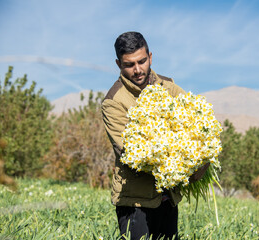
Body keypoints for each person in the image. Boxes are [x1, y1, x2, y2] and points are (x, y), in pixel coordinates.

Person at [101, 31, 186, 240]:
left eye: (142, 61)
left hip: (167, 197)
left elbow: (192, 118)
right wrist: (181, 163)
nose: (138, 70)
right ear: (118, 64)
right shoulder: (113, 101)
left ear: (150, 56)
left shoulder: (169, 86)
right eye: (129, 64)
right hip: (134, 200)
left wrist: (199, 160)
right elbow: (129, 153)